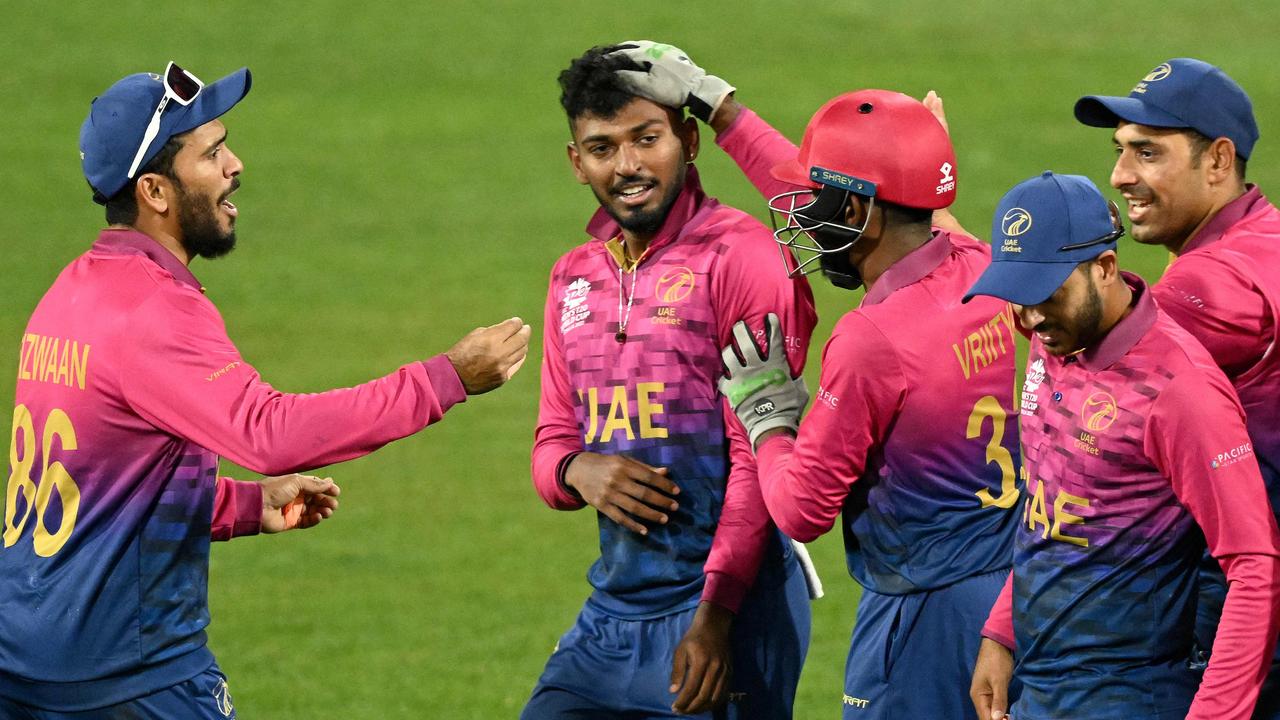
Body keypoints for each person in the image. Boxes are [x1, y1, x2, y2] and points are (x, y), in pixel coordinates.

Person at [0, 62, 529, 718]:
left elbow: (96, 489)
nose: (235, 165)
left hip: (26, 657)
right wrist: (446, 378)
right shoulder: (154, 311)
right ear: (157, 192)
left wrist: (245, 509)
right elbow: (268, 432)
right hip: (127, 674)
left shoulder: (71, 293)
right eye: (213, 153)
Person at [613, 42, 1025, 719]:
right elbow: (843, 191)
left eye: (822, 200)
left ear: (862, 212)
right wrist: (723, 109)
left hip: (918, 619)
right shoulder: (978, 262)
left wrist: (768, 415)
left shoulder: (872, 339)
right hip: (1011, 596)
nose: (803, 215)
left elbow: (802, 509)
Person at [524, 45, 815, 718]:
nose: (626, 166)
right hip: (613, 610)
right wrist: (576, 471)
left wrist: (716, 615)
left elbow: (758, 450)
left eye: (646, 139)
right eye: (601, 148)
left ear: (688, 139)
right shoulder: (573, 277)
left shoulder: (741, 258)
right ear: (576, 163)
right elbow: (549, 440)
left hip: (731, 606)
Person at [963, 171, 1280, 719]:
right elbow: (1056, 509)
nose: (1032, 317)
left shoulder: (1180, 391)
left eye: (1047, 294)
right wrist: (1002, 632)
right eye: (1017, 295)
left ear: (1104, 268)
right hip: (1043, 687)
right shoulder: (1054, 342)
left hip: (1132, 698)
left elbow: (1254, 563)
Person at [1074, 58, 1280, 713]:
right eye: (1119, 151)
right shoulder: (1266, 241)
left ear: (1218, 161)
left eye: (1147, 153)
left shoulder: (1202, 290)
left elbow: (1075, 356)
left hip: (1237, 617)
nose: (1120, 176)